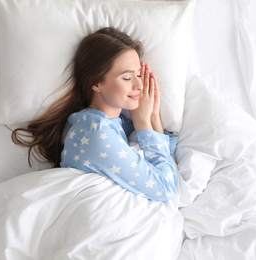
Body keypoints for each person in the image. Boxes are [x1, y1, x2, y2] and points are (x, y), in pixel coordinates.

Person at [12, 27, 177, 201]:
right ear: (96, 83)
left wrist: (153, 118)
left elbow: (170, 164)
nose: (139, 85)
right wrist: (144, 124)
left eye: (138, 74)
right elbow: (167, 190)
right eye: (127, 78)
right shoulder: (96, 134)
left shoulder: (112, 122)